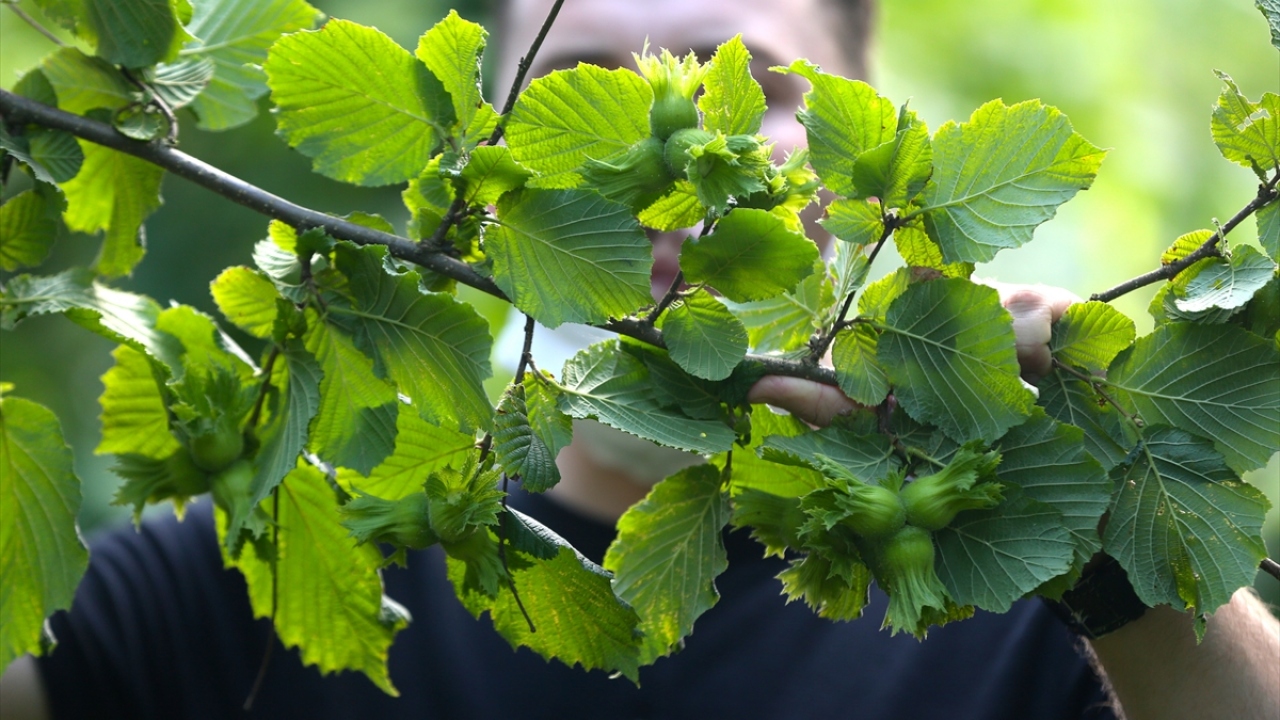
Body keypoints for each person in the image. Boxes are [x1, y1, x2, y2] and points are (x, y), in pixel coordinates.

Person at [2, 1, 1277, 718]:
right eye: (582, 87)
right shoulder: (262, 570)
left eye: (759, 90)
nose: (668, 160)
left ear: (874, 153)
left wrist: (1121, 560)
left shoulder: (1022, 595)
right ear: (465, 176)